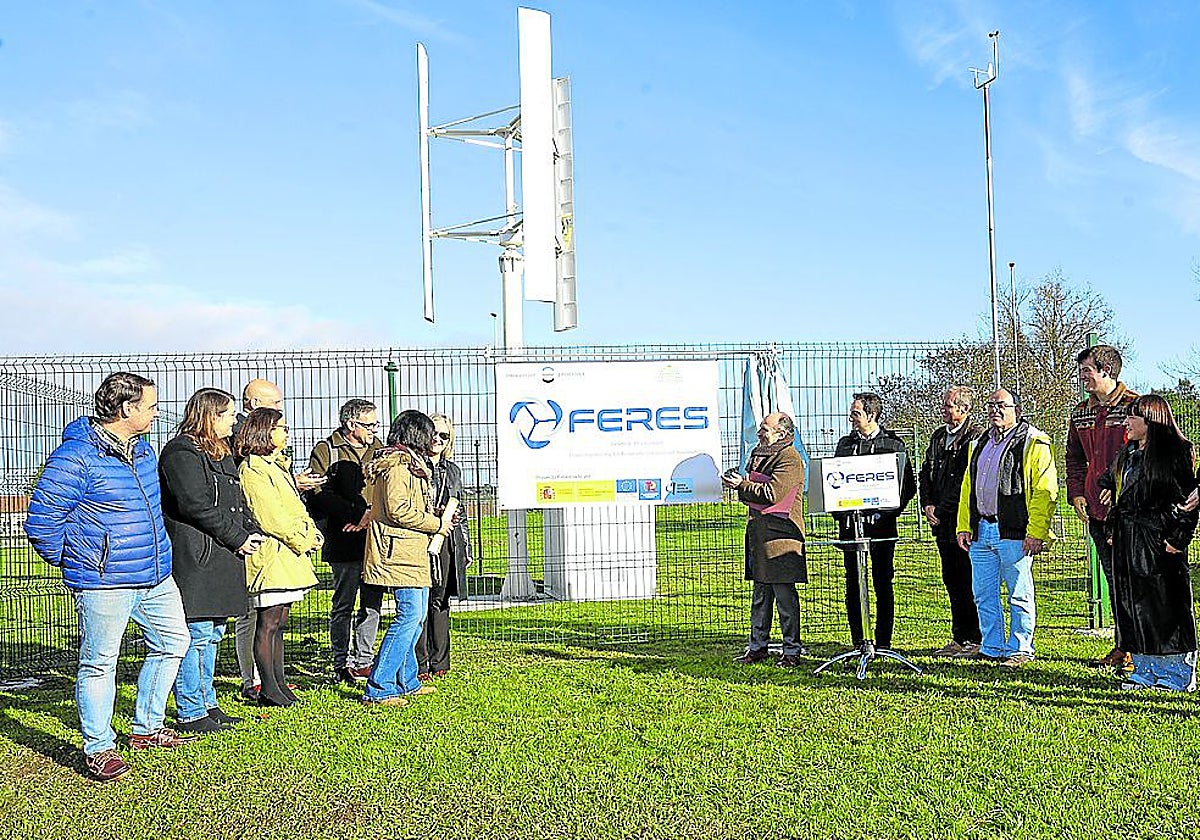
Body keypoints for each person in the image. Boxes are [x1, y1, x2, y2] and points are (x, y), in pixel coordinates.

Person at [24, 372, 192, 782]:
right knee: (100, 662)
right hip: (104, 581)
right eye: (150, 406)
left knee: (175, 642)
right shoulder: (76, 458)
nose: (156, 413)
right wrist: (79, 561)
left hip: (155, 574)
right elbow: (43, 521)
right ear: (126, 409)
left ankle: (147, 728)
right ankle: (98, 747)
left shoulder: (145, 451)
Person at [160, 388, 265, 733]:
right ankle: (191, 709)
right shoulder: (182, 451)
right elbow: (195, 504)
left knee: (214, 632)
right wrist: (238, 537)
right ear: (211, 415)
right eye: (229, 414)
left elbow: (237, 500)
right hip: (197, 554)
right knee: (197, 633)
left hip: (222, 552)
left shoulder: (221, 453)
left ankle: (208, 703)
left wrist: (251, 529)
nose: (235, 421)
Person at [232, 378, 325, 702]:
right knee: (266, 623)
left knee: (278, 621)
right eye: (281, 426)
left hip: (285, 554)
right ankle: (266, 686)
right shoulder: (254, 469)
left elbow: (293, 507)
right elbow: (271, 515)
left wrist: (309, 531)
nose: (287, 431)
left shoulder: (274, 466)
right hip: (271, 555)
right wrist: (303, 538)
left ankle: (278, 682)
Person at [1099, 395, 1199, 692]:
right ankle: (1144, 671)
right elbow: (1114, 484)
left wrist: (1177, 539)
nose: (1127, 423)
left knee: (1165, 608)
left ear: (1151, 421)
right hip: (1128, 539)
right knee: (1134, 605)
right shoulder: (1128, 453)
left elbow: (1188, 502)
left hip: (1158, 539)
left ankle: (1177, 674)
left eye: (1133, 417)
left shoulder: (1177, 452)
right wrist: (1111, 510)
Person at [956, 388, 1058, 668]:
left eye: (1002, 405)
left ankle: (1021, 648)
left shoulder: (1033, 442)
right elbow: (968, 487)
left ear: (1017, 409)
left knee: (1019, 593)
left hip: (1013, 531)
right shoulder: (978, 443)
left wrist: (1036, 530)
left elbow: (1045, 489)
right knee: (983, 593)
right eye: (991, 405)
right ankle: (992, 646)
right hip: (981, 531)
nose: (995, 410)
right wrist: (964, 524)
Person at [360, 410, 454, 706]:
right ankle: (379, 686)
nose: (433, 439)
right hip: (398, 552)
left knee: (416, 617)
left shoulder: (409, 464)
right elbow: (399, 510)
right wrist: (436, 524)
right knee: (409, 617)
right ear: (417, 434)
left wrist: (434, 515)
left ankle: (407, 679)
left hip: (410, 551)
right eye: (429, 433)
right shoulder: (398, 467)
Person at [1066, 344, 1139, 670]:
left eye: (1087, 371)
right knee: (1114, 581)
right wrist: (1078, 492)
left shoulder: (1137, 407)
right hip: (1097, 513)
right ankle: (1123, 647)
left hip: (1132, 516)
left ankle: (1142, 650)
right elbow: (1074, 457)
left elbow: (1157, 456)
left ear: (1106, 371)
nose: (1082, 378)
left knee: (1135, 582)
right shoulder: (1081, 413)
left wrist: (1124, 490)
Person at [307, 399, 385, 684]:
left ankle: (364, 659)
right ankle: (341, 661)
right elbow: (316, 492)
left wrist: (370, 514)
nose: (374, 430)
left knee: (372, 601)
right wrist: (355, 512)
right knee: (344, 602)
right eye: (369, 424)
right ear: (351, 425)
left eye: (376, 424)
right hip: (342, 538)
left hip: (375, 538)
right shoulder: (326, 450)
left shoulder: (380, 450)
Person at [833, 392, 916, 651]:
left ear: (872, 415)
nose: (851, 418)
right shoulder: (845, 445)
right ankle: (859, 639)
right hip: (850, 527)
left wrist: (887, 513)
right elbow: (834, 482)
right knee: (854, 581)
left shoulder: (893, 445)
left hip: (882, 527)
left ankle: (882, 642)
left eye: (856, 413)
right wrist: (841, 514)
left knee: (882, 581)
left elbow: (907, 486)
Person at [725, 412, 807, 668]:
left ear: (781, 433)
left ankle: (791, 651)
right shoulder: (758, 455)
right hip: (759, 534)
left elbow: (772, 493)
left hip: (781, 537)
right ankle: (757, 647)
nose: (760, 432)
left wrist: (742, 485)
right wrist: (741, 484)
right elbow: (754, 491)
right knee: (761, 596)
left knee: (784, 597)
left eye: (765, 428)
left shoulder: (790, 458)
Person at [918, 386, 984, 658]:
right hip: (941, 523)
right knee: (951, 579)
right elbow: (925, 472)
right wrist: (927, 503)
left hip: (964, 521)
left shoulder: (975, 437)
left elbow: (964, 480)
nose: (944, 410)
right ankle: (959, 636)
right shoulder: (938, 437)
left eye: (949, 406)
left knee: (970, 579)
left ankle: (977, 637)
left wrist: (943, 509)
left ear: (964, 409)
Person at [416, 414, 473, 680]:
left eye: (444, 436)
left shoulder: (453, 471)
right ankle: (420, 662)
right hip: (421, 539)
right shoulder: (414, 465)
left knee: (441, 601)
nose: (437, 439)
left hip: (447, 541)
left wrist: (466, 547)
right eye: (433, 433)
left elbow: (459, 507)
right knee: (420, 601)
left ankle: (440, 663)